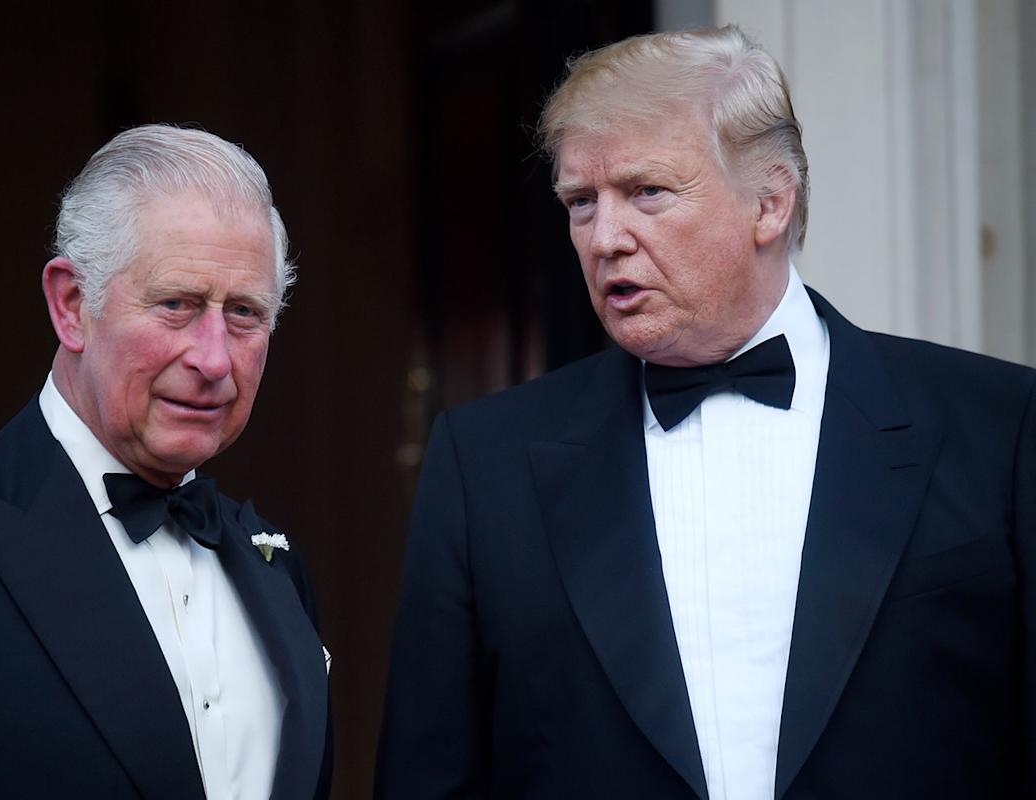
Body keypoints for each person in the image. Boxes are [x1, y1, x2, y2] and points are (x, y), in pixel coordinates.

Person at [377, 25, 1034, 799]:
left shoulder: (999, 425)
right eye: (581, 202)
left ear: (770, 203)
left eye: (646, 192)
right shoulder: (483, 464)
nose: (605, 238)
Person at [0, 124, 331, 799]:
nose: (215, 359)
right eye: (176, 305)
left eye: (244, 312)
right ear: (72, 306)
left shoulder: (274, 564)